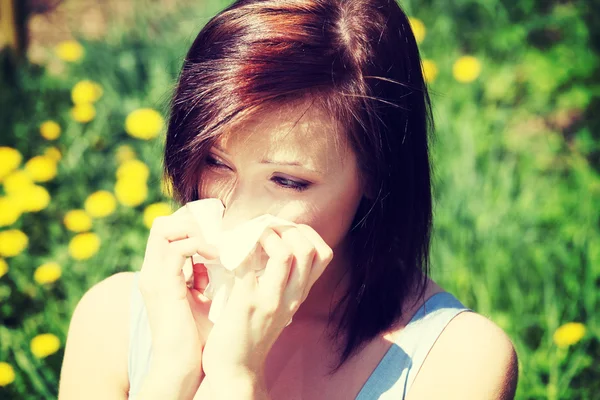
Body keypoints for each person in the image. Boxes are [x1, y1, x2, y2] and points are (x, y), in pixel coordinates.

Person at [58, 0, 519, 399]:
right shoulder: (113, 319)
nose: (237, 211)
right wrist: (173, 375)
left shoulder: (458, 359)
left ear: (377, 177)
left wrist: (237, 380)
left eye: (288, 181)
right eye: (216, 163)